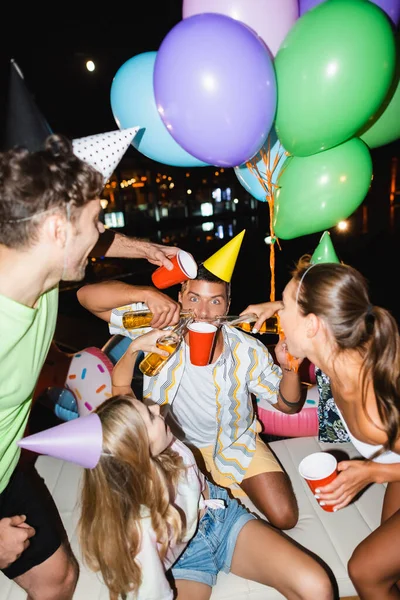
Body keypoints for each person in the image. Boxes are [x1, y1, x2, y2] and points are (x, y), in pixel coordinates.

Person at [0, 134, 182, 599]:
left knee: (58, 579)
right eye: (95, 218)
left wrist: (142, 249)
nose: (101, 228)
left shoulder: (33, 264)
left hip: (5, 463)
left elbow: (95, 244)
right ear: (58, 230)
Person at [78, 327, 334, 600]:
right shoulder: (139, 530)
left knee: (317, 585)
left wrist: (134, 347)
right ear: (136, 454)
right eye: (150, 417)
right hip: (185, 557)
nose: (155, 408)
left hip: (221, 519)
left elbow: (120, 385)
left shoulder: (152, 438)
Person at [77, 265, 308, 530]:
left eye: (215, 301)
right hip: (171, 448)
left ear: (228, 305)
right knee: (168, 523)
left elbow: (287, 406)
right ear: (180, 298)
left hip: (235, 443)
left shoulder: (247, 349)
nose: (203, 313)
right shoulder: (157, 330)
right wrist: (146, 293)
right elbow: (86, 297)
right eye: (194, 298)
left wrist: (290, 368)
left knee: (285, 517)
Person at [246, 254, 400, 600]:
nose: (279, 317)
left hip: (391, 470)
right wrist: (274, 306)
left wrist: (372, 472)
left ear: (314, 325)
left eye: (285, 308)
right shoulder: (344, 347)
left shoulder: (372, 404)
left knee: (366, 571)